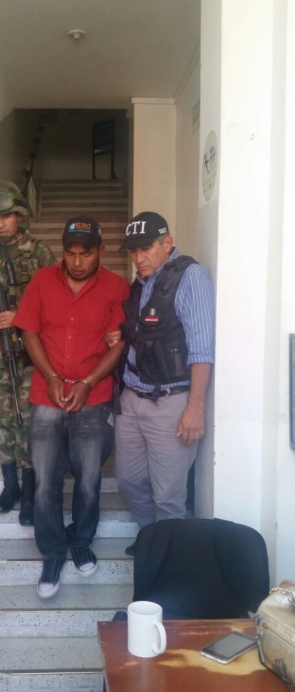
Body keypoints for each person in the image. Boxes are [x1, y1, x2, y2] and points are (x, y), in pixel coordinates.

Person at [13, 216, 130, 598]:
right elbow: (29, 330)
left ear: (101, 251)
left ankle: (80, 540)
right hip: (46, 395)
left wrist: (87, 382)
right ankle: (52, 551)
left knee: (89, 479)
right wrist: (49, 376)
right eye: (70, 253)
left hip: (93, 397)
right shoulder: (42, 280)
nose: (77, 262)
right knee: (45, 480)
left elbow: (118, 343)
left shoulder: (117, 287)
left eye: (86, 253)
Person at [113, 211, 215, 554]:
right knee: (128, 481)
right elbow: (145, 334)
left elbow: (202, 350)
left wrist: (195, 409)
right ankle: (153, 538)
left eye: (146, 249)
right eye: (133, 251)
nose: (138, 258)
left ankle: (167, 559)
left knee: (168, 494)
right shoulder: (142, 282)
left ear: (167, 243)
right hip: (132, 399)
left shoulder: (190, 277)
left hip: (170, 402)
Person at [0, 180, 56, 526]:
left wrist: (19, 316)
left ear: (19, 216)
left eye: (5, 216)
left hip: (29, 353)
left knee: (29, 420)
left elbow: (55, 304)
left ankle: (31, 491)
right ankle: (10, 486)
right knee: (1, 419)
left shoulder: (40, 254)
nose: (0, 224)